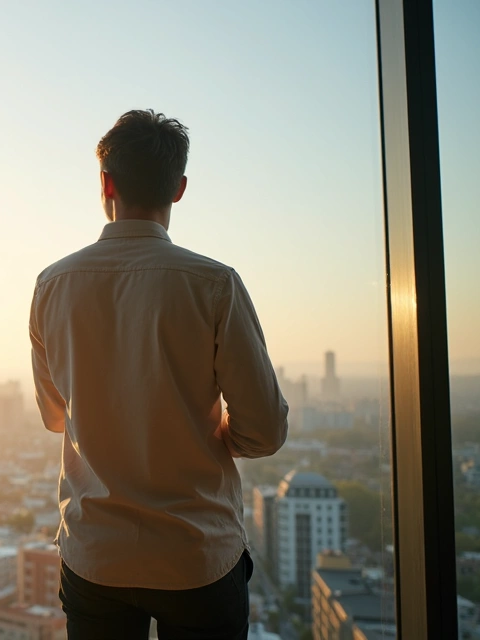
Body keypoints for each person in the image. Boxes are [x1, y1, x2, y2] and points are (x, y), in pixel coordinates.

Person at [29, 109, 289, 639]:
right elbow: (264, 432)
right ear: (180, 189)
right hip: (197, 554)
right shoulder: (214, 284)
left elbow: (56, 417)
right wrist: (203, 435)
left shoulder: (52, 285)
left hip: (96, 555)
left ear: (105, 182)